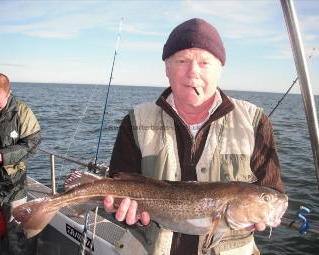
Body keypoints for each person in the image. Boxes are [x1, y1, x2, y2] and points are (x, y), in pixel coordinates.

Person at [105, 18, 284, 255]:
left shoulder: (255, 121)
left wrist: (262, 212)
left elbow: (272, 191)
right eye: (182, 61)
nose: (193, 72)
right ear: (167, 68)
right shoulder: (135, 121)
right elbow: (117, 184)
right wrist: (129, 215)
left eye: (204, 62)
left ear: (220, 68)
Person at [0, 73, 41, 254]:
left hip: (14, 184)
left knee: (17, 233)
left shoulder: (22, 111)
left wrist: (4, 156)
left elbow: (33, 143)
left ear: (9, 94)